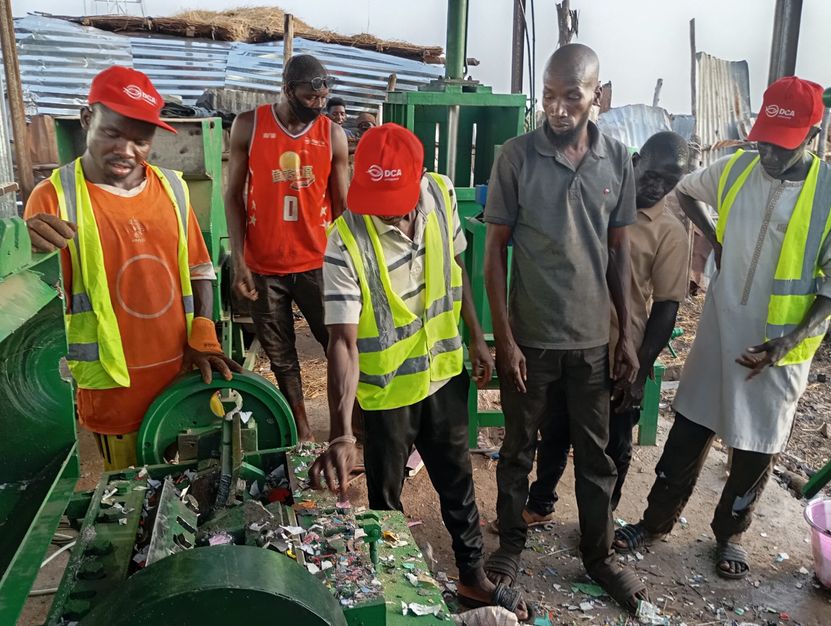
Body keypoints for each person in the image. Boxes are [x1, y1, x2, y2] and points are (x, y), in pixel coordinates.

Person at [613, 76, 831, 581]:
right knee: (689, 430)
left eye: (781, 147)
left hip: (775, 349)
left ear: (811, 137)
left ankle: (729, 534)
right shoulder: (736, 169)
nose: (768, 155)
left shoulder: (827, 194)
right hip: (717, 333)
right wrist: (713, 237)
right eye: (763, 142)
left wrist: (789, 341)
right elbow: (686, 192)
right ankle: (655, 521)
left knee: (755, 449)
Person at [308, 124, 528, 620]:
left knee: (457, 479)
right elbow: (342, 342)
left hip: (444, 373)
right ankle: (394, 594)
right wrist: (343, 432)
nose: (386, 209)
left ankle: (472, 577)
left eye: (395, 196)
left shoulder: (441, 193)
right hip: (387, 395)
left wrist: (476, 335)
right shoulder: (343, 241)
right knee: (386, 499)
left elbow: (455, 269)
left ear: (419, 178)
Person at [483, 43, 646, 613]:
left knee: (596, 455)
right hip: (530, 338)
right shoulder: (516, 157)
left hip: (591, 342)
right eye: (548, 96)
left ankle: (599, 557)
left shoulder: (618, 159)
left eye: (570, 96)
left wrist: (625, 334)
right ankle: (509, 544)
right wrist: (503, 339)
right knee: (517, 449)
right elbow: (494, 253)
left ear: (596, 96)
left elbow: (619, 253)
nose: (556, 109)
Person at [24, 66, 239, 471]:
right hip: (114, 392)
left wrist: (204, 335)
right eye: (112, 133)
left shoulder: (173, 189)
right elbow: (38, 303)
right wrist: (22, 248)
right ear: (88, 119)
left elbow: (199, 270)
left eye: (141, 140)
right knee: (133, 502)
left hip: (183, 381)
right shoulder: (53, 199)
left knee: (194, 492)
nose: (127, 150)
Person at [524, 131, 691, 523]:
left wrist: (639, 370)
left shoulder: (669, 232)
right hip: (569, 339)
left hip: (620, 351)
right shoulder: (594, 200)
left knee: (613, 443)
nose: (658, 186)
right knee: (555, 428)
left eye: (670, 181)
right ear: (636, 161)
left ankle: (601, 522)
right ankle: (540, 503)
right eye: (653, 174)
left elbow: (666, 308)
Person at [225, 54, 349, 441]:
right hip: (264, 264)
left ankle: (346, 427)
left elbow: (342, 206)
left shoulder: (333, 135)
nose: (317, 106)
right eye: (309, 98)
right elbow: (233, 197)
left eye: (323, 99)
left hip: (317, 261)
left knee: (339, 344)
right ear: (286, 89)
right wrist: (240, 259)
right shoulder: (249, 126)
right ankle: (302, 428)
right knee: (280, 354)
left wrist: (350, 262)